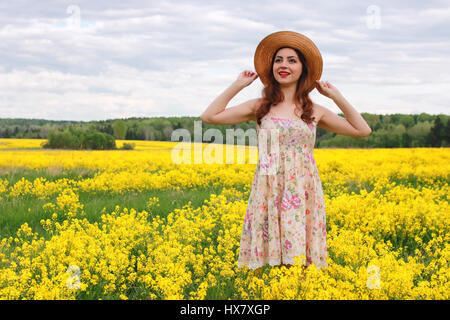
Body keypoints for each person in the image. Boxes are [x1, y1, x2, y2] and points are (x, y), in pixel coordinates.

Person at [200, 31, 372, 275]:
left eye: (292, 60)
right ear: (272, 68)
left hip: (302, 188)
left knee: (299, 261)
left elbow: (362, 130)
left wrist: (336, 96)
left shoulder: (315, 110)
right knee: (271, 263)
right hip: (268, 186)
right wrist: (238, 85)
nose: (284, 65)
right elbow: (209, 116)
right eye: (279, 60)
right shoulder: (260, 107)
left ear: (303, 68)